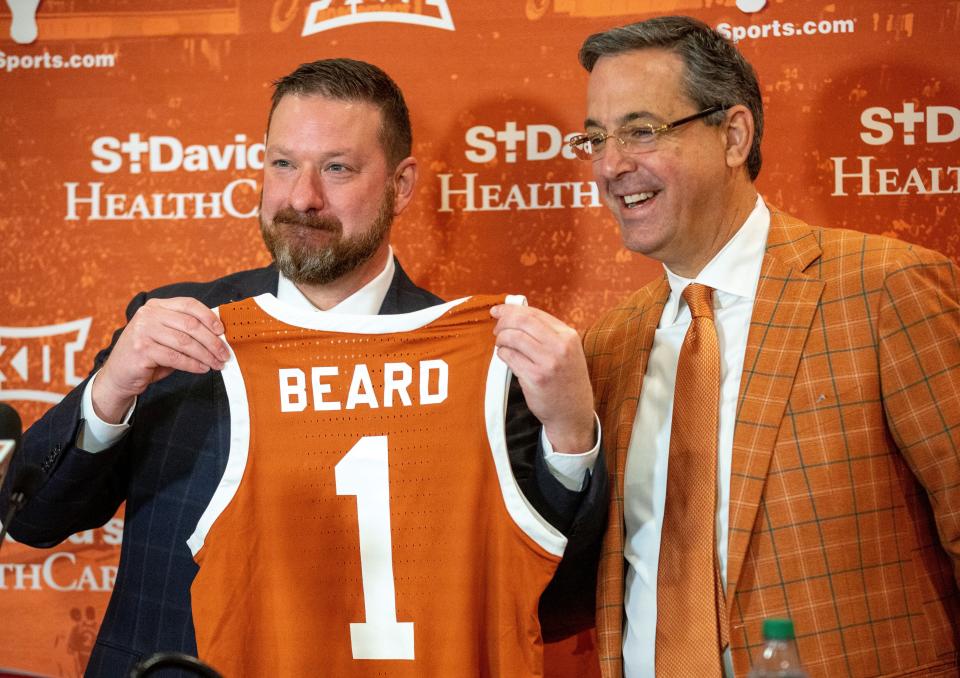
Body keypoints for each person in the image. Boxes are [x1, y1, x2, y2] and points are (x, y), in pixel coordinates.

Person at [0, 58, 606, 675]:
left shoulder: (485, 362)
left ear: (401, 186)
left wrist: (571, 439)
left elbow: (550, 600)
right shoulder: (178, 331)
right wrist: (111, 391)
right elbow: (31, 520)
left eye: (337, 169)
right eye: (283, 163)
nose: (301, 198)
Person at [572, 15, 960, 678]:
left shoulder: (884, 288)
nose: (612, 165)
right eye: (596, 139)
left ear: (733, 134)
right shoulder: (606, 346)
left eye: (642, 130)